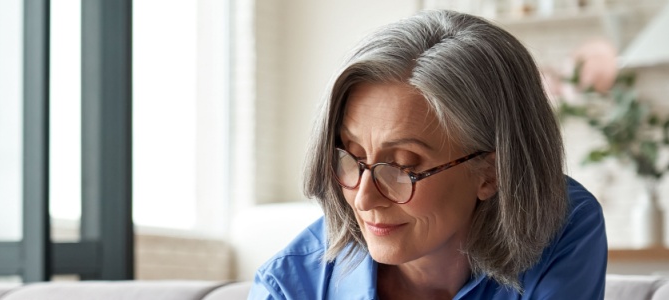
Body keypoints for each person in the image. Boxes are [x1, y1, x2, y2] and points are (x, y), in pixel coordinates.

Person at [248, 10, 607, 299]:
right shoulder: (287, 287)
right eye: (350, 158)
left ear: (491, 173)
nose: (364, 198)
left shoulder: (562, 221)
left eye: (402, 167)